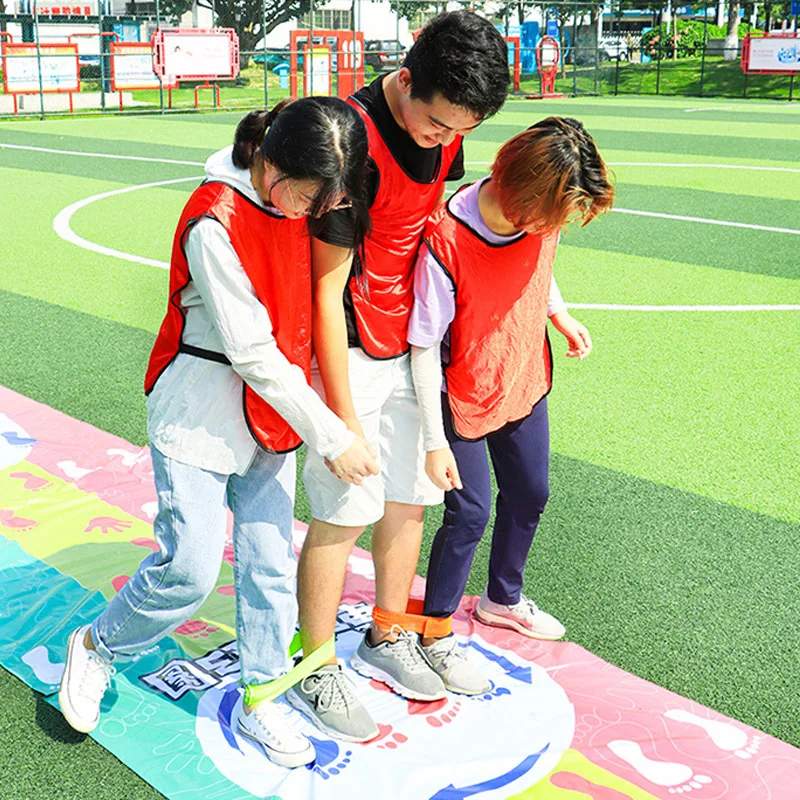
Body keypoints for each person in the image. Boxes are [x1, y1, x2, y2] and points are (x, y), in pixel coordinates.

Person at [57, 98, 378, 768]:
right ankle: (97, 646)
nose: (315, 211)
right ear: (274, 165)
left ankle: (262, 694)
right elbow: (250, 348)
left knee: (268, 566)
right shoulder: (214, 216)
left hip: (272, 417)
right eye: (310, 195)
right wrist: (333, 434)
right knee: (191, 568)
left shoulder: (293, 203)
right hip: (201, 413)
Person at [288, 10, 511, 742]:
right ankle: (312, 663)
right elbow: (325, 287)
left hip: (411, 342)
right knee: (345, 509)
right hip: (347, 346)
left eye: (460, 132)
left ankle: (386, 635)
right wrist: (343, 415)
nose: (446, 141)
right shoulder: (346, 142)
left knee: (412, 494)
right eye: (436, 124)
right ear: (406, 80)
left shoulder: (446, 129)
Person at [408, 117, 614, 695]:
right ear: (522, 197)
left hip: (523, 374)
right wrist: (431, 439)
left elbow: (541, 268)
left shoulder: (539, 215)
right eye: (556, 217)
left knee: (530, 493)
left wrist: (560, 315)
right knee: (468, 514)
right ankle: (435, 631)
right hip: (464, 395)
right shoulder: (446, 242)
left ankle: (502, 598)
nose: (560, 228)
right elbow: (422, 345)